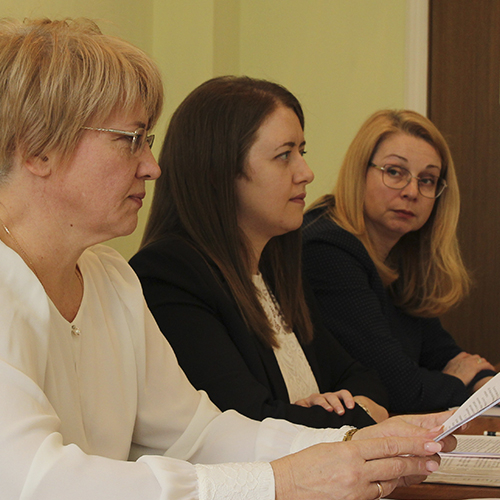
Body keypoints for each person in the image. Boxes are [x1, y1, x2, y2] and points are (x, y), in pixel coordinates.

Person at [0, 19, 454, 500]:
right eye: (130, 139)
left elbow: (195, 434)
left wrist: (354, 446)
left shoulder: (111, 279)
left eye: (148, 142)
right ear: (39, 148)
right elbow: (37, 481)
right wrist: (284, 481)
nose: (152, 167)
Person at [130, 76, 389, 431]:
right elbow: (245, 421)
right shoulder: (170, 273)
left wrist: (345, 406)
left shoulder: (275, 267)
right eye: (284, 155)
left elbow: (361, 377)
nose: (306, 173)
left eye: (301, 152)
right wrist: (358, 414)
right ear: (218, 171)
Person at [302, 109, 497, 414]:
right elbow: (400, 389)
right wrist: (459, 381)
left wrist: (486, 385)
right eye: (394, 172)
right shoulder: (327, 249)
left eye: (427, 180)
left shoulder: (401, 251)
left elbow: (442, 352)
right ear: (360, 171)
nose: (411, 192)